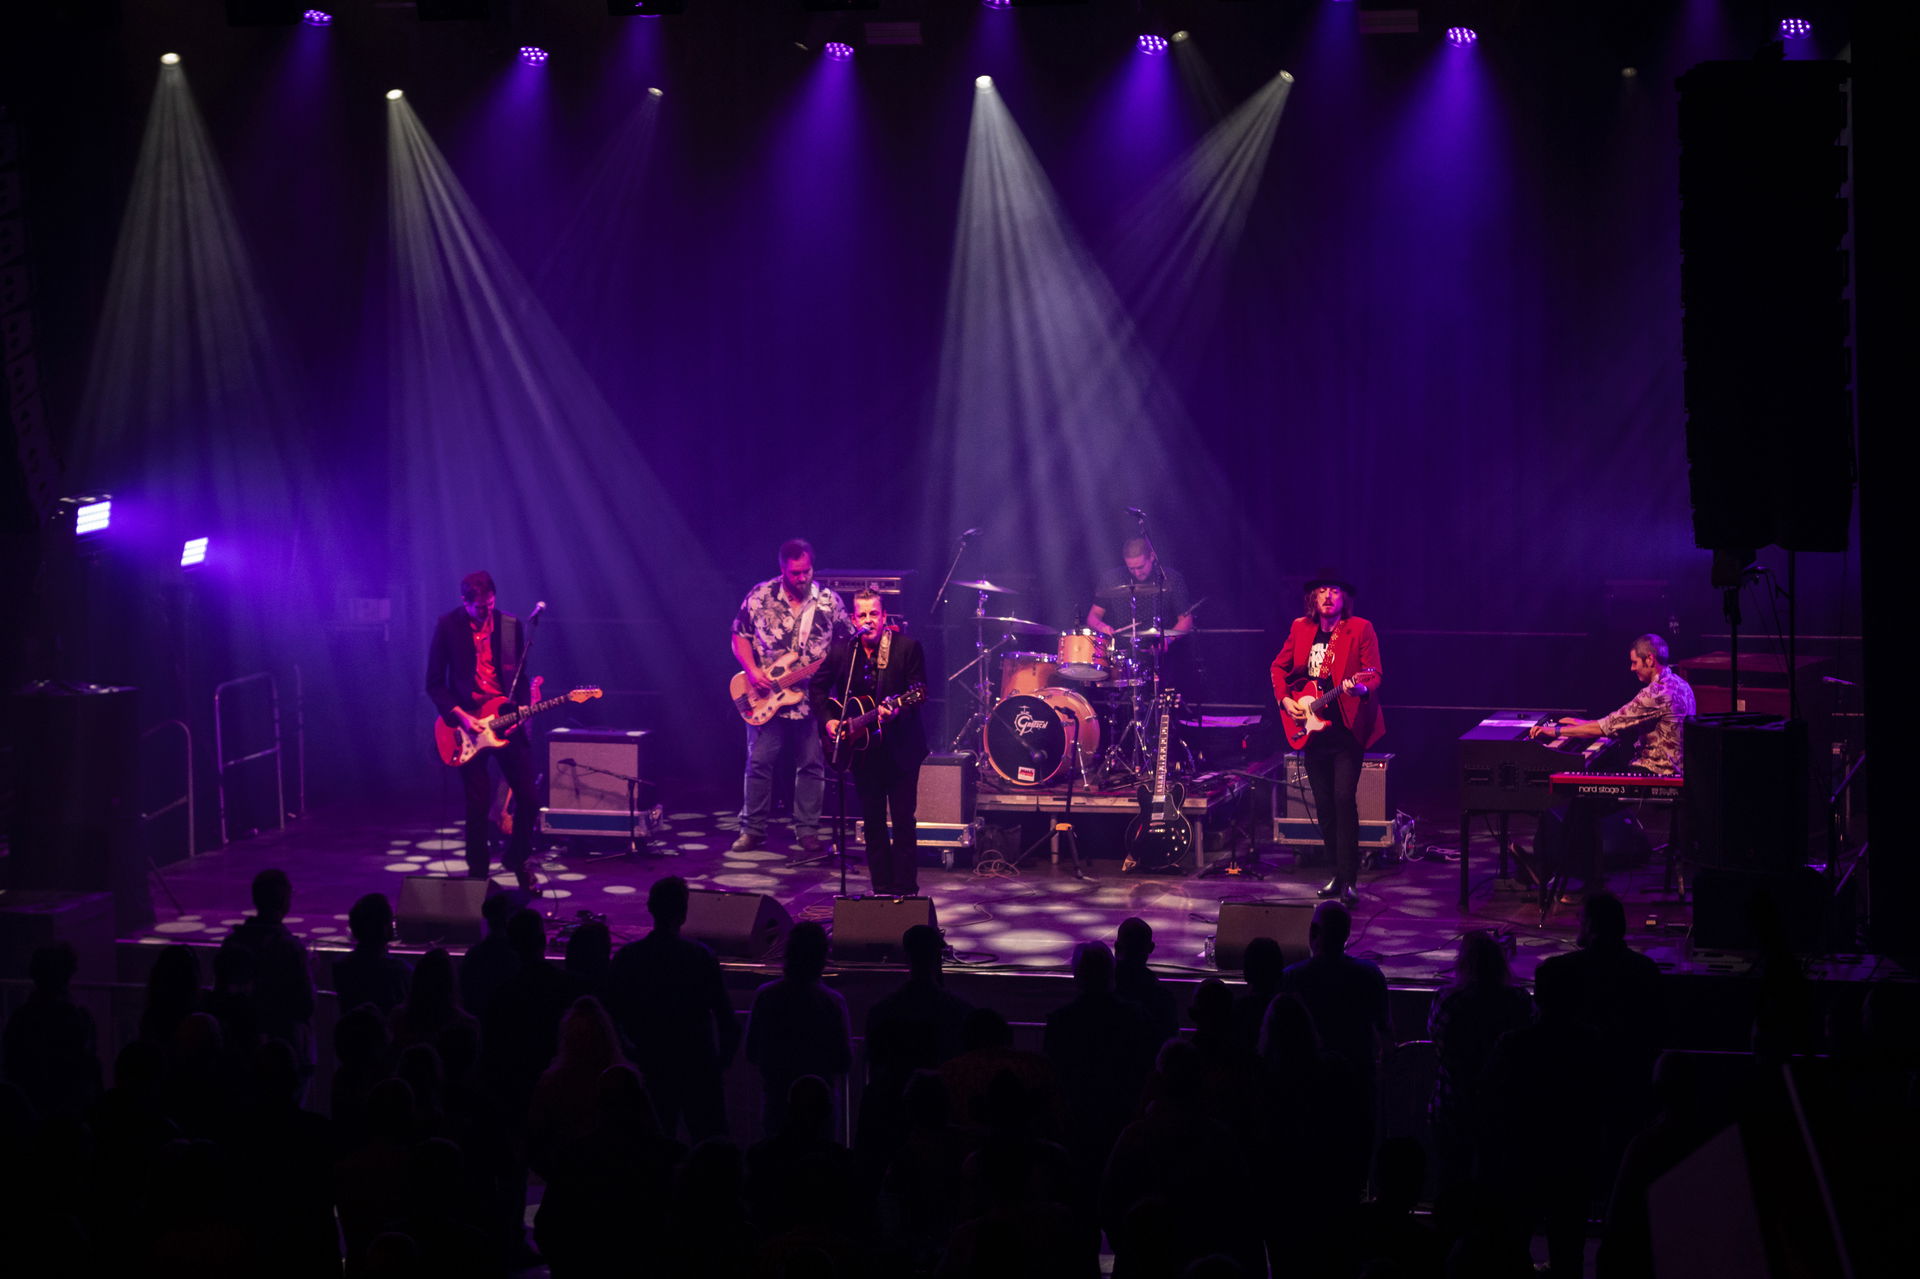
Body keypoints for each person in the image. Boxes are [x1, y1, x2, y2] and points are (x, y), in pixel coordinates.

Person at [1529, 633, 1695, 893]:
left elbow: (1609, 726)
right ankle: (1558, 869)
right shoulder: (1679, 684)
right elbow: (1619, 721)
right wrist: (1582, 724)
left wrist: (1557, 732)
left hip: (1657, 773)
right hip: (1673, 769)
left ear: (1649, 659)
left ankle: (1584, 882)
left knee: (1584, 798)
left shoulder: (1657, 692)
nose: (1631, 669)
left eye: (1634, 663)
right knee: (1586, 790)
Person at [731, 538, 851, 854]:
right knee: (758, 763)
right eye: (795, 573)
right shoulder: (760, 596)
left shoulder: (829, 602)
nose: (802, 578)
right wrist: (754, 672)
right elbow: (738, 638)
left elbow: (846, 646)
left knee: (812, 764)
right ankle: (752, 830)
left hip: (811, 700)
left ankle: (808, 830)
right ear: (783, 569)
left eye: (807, 571)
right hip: (765, 696)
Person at [1271, 574, 1384, 903]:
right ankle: (1336, 873)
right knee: (1323, 808)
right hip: (1312, 732)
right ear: (1313, 599)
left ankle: (1350, 880)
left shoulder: (1360, 628)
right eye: (1321, 591)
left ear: (1343, 598)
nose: (1328, 596)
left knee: (1343, 799)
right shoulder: (1300, 628)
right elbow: (1279, 667)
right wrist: (1285, 700)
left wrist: (1360, 688)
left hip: (1346, 732)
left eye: (1334, 590)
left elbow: (1373, 673)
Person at [606, 876, 741, 1143]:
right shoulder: (700, 957)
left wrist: (630, 1053)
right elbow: (727, 1019)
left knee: (651, 1153)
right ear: (683, 912)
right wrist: (720, 1064)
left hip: (652, 1065)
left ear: (650, 907)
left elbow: (611, 1016)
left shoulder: (628, 957)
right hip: (697, 1067)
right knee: (711, 1148)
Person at [425, 569, 539, 885]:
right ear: (465, 602)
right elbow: (434, 683)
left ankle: (517, 859)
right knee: (477, 804)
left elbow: (520, 676)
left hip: (504, 720)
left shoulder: (509, 626)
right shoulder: (448, 626)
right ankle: (478, 876)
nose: (485, 612)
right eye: (479, 607)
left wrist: (520, 710)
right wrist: (460, 716)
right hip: (468, 727)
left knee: (529, 799)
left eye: (489, 604)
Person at [812, 589, 929, 894]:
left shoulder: (906, 648)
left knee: (903, 821)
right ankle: (881, 888)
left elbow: (920, 690)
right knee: (872, 823)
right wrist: (829, 720)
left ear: (883, 616)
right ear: (853, 619)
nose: (868, 620)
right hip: (862, 752)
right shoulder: (843, 652)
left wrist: (897, 710)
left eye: (873, 614)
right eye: (862, 615)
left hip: (901, 750)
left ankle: (905, 890)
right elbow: (818, 690)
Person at [1085, 537, 1194, 644]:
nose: (1137, 573)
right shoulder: (1111, 579)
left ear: (1151, 557)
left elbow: (1186, 620)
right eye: (1131, 568)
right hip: (1122, 650)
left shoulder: (1170, 578)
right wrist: (1102, 627)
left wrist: (1168, 640)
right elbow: (1093, 616)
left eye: (1141, 567)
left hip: (1163, 651)